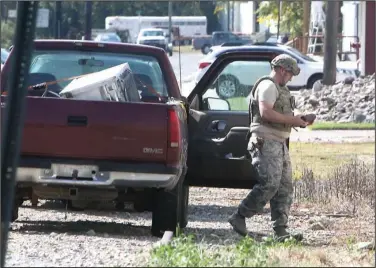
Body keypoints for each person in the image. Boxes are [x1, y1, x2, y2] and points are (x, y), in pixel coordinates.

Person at [228, 54, 314, 241]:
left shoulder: (281, 89)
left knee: (284, 187)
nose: (291, 77)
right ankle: (239, 216)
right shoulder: (268, 86)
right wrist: (293, 120)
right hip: (265, 141)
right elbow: (266, 112)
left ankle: (281, 230)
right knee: (269, 184)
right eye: (290, 73)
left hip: (279, 143)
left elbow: (280, 113)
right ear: (282, 70)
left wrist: (299, 118)